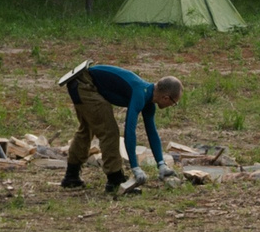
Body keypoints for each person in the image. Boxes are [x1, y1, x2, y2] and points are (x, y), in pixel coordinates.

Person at [61, 64, 183, 195]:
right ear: (166, 97)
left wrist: (161, 164)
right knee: (109, 131)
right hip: (84, 84)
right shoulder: (140, 93)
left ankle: (71, 177)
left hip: (81, 82)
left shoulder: (148, 100)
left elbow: (152, 133)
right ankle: (115, 180)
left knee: (87, 129)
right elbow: (130, 131)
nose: (172, 106)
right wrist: (135, 167)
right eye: (174, 103)